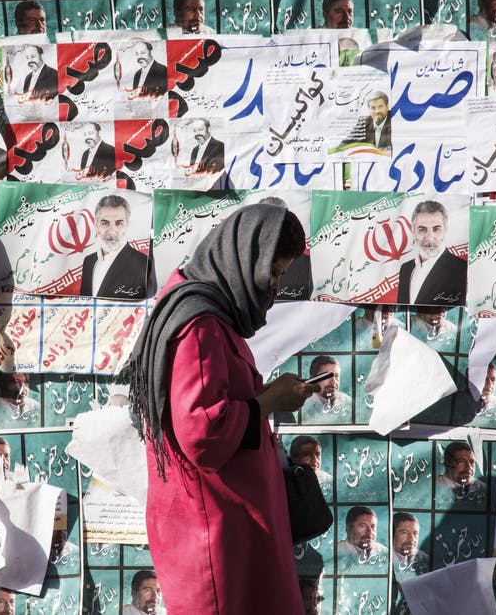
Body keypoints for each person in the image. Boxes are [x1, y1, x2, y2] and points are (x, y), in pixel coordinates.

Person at [126, 203, 319, 613]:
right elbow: (202, 432)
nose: (275, 284)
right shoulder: (200, 325)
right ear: (245, 255)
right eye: (276, 270)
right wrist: (271, 401)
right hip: (216, 539)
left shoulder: (205, 313)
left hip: (227, 530)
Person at [80, 194, 153, 300]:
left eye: (119, 223)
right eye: (105, 223)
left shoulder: (143, 263)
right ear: (96, 224)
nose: (112, 231)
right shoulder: (88, 261)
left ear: (128, 224)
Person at [396, 200, 466, 306]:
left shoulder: (462, 269)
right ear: (413, 231)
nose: (429, 237)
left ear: (445, 231)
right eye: (422, 229)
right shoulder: (406, 269)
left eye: (436, 229)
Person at [300, 355, 351, 422]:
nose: (334, 381)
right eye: (327, 376)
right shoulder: (300, 406)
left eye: (336, 376)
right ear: (312, 378)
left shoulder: (348, 401)